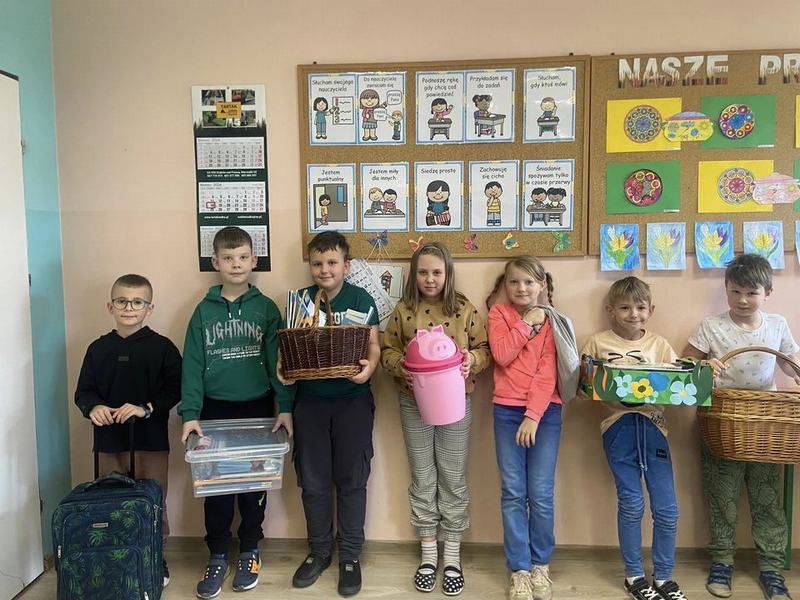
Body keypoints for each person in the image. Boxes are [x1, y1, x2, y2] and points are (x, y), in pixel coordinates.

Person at [179, 226, 294, 599]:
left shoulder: (266, 309)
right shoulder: (202, 312)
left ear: (254, 260)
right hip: (214, 411)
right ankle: (216, 554)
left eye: (243, 257)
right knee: (217, 488)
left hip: (257, 408)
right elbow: (192, 365)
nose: (236, 264)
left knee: (252, 486)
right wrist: (190, 413)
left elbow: (279, 363)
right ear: (215, 262)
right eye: (228, 258)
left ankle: (249, 551)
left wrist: (285, 407)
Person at [685, 254, 800, 600]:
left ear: (767, 292)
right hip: (722, 420)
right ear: (726, 290)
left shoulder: (776, 324)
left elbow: (790, 363)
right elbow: (685, 362)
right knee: (721, 494)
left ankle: (771, 567)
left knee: (767, 497)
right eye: (735, 291)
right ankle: (722, 562)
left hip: (766, 424)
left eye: (752, 293)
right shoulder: (711, 326)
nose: (743, 300)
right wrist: (705, 364)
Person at [381, 241, 490, 596]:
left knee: (452, 477)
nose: (430, 279)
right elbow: (387, 350)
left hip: (456, 403)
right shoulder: (403, 310)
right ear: (414, 275)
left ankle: (452, 556)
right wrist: (399, 366)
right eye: (423, 272)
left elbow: (484, 349)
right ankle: (429, 553)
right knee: (423, 476)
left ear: (448, 274)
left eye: (437, 272)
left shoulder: (464, 308)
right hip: (414, 403)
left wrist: (472, 361)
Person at [280, 231, 380, 597]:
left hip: (353, 401)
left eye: (332, 262)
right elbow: (287, 348)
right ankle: (319, 551)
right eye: (318, 263)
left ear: (346, 265)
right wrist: (283, 370)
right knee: (313, 481)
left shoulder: (361, 298)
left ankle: (350, 555)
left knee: (353, 479)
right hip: (310, 403)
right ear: (310, 265)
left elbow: (373, 344)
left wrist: (369, 368)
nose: (325, 269)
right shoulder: (299, 301)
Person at [580, 276, 687, 600]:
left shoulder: (659, 345)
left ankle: (664, 576)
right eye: (625, 308)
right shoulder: (597, 343)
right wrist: (590, 379)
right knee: (631, 503)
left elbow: (678, 385)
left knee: (667, 508)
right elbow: (582, 390)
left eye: (640, 307)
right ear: (611, 310)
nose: (633, 314)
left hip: (655, 427)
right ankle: (634, 576)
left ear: (651, 310)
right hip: (618, 427)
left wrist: (696, 372)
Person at [75, 273, 181, 589]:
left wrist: (145, 408)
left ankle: (155, 558)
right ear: (110, 306)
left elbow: (176, 389)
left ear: (149, 307)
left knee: (152, 502)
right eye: (122, 301)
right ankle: (114, 561)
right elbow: (83, 392)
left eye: (137, 302)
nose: (129, 308)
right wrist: (93, 408)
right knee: (111, 503)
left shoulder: (162, 347)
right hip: (108, 442)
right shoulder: (97, 349)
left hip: (150, 442)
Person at [486, 256, 579, 600]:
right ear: (505, 285)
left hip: (544, 414)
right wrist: (527, 323)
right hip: (506, 411)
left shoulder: (553, 321)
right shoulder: (499, 315)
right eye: (514, 282)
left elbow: (547, 372)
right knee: (513, 492)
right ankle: (520, 569)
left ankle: (541, 564)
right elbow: (502, 355)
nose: (521, 288)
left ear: (542, 285)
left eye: (529, 282)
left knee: (540, 493)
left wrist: (534, 415)